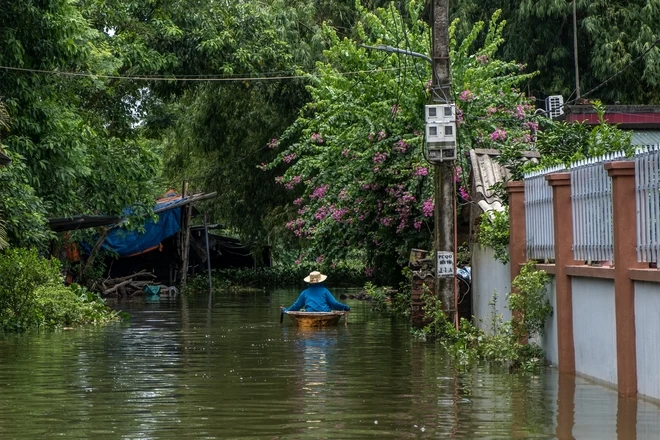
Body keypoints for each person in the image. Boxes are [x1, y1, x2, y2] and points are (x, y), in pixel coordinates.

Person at [281, 270, 350, 313]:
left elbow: (296, 306)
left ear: (309, 282)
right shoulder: (324, 291)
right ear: (321, 281)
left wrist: (286, 310)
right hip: (324, 314)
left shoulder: (305, 292)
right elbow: (334, 304)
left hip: (309, 315)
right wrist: (345, 307)